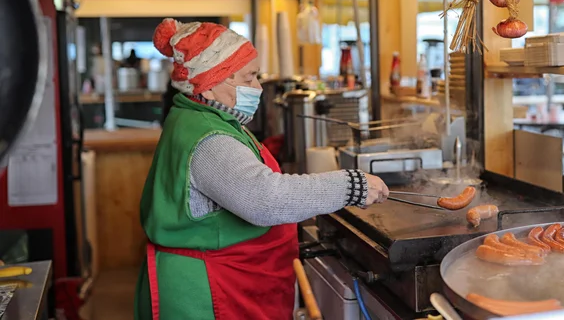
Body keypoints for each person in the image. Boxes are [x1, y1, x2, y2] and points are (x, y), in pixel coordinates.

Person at [135, 18, 389, 320]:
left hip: (219, 280)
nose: (258, 87)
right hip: (208, 294)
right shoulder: (208, 137)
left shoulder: (200, 117)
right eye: (249, 78)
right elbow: (266, 199)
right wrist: (351, 185)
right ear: (212, 83)